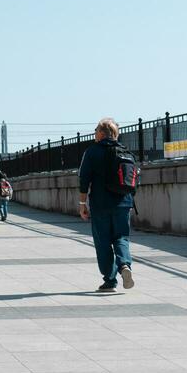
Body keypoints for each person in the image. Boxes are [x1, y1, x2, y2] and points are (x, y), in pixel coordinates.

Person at [79, 117, 136, 292]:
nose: (94, 133)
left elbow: (84, 179)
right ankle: (124, 265)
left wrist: (82, 203)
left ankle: (110, 281)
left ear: (102, 133)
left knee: (103, 242)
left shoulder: (92, 151)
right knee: (121, 237)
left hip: (101, 204)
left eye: (96, 130)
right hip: (123, 202)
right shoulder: (125, 152)